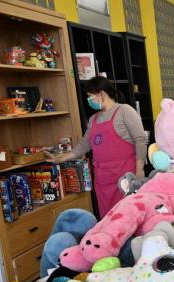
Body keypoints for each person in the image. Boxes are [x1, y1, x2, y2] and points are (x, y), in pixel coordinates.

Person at [46, 76, 147, 218]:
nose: (89, 101)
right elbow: (84, 145)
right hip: (103, 182)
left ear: (101, 94)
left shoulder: (125, 111)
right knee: (108, 221)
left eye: (90, 96)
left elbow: (140, 140)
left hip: (125, 179)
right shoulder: (93, 119)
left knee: (129, 218)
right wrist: (61, 159)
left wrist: (139, 171)